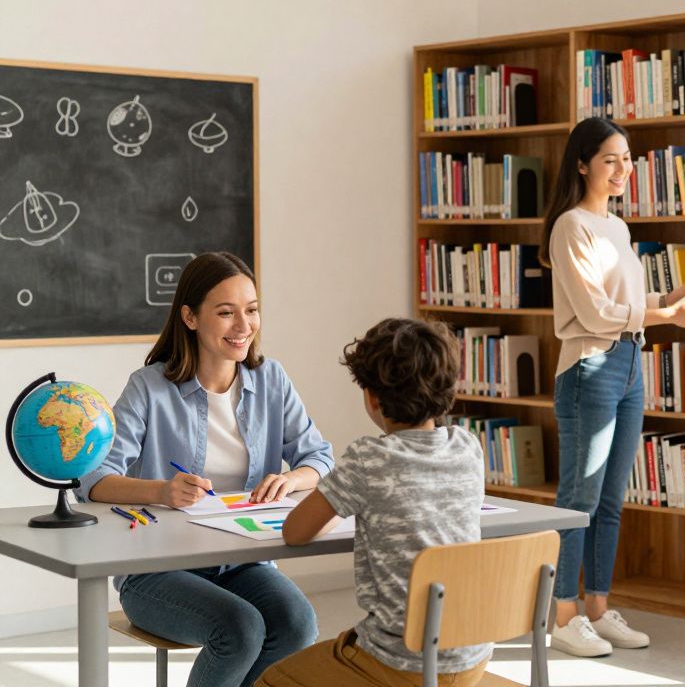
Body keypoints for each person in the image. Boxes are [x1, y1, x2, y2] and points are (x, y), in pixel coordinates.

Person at [77, 251, 334, 687]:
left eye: (251, 311)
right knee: (240, 628)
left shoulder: (272, 380)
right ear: (190, 318)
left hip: (243, 562)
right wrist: (161, 491)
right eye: (226, 313)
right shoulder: (150, 387)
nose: (244, 326)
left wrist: (291, 478)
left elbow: (319, 458)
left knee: (297, 624)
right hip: (157, 571)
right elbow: (92, 478)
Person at [541, 117, 685, 657]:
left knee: (611, 500)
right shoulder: (572, 226)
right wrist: (668, 316)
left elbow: (629, 303)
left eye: (628, 159)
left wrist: (677, 294)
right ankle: (564, 613)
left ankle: (597, 607)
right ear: (582, 164)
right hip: (590, 367)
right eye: (611, 159)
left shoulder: (616, 227)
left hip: (630, 363)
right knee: (579, 499)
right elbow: (595, 313)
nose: (623, 170)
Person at [255, 317, 488, 687]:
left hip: (401, 663)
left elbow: (295, 532)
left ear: (372, 397)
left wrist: (341, 501)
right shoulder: (468, 447)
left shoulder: (369, 459)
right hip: (473, 656)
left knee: (270, 681)